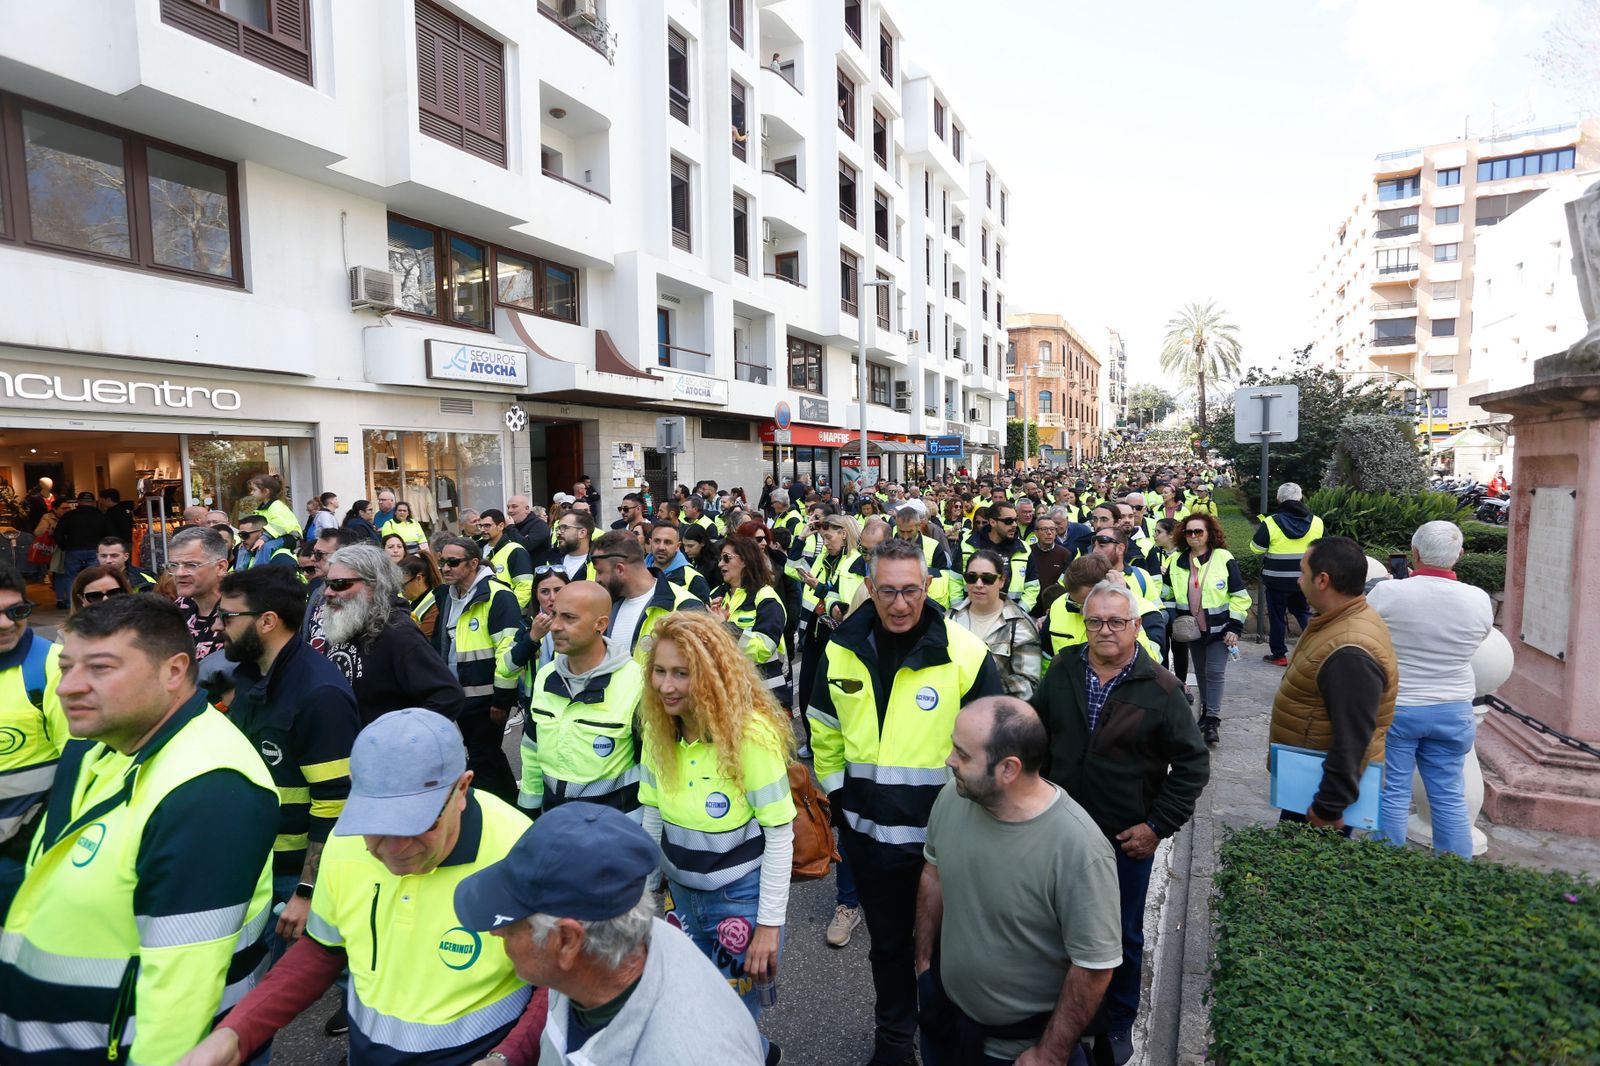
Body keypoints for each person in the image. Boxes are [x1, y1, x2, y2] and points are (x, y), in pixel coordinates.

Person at [180, 709, 545, 1065]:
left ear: (462, 789)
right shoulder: (344, 841)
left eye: (419, 823)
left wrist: (505, 1057)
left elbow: (556, 986)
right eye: (378, 823)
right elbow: (322, 951)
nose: (395, 848)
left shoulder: (521, 852)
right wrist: (236, 1032)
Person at [0, 595, 278, 1063]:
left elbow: (181, 992)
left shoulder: (210, 790)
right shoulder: (94, 746)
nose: (69, 687)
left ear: (173, 672)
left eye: (101, 668)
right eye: (66, 667)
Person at [809, 538, 1003, 1066]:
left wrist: (972, 824)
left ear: (929, 588)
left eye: (910, 591)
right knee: (890, 950)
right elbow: (824, 731)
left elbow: (993, 749)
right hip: (870, 841)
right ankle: (893, 1045)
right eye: (888, 591)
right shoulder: (841, 648)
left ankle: (945, 1047)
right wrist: (841, 798)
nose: (899, 604)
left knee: (947, 956)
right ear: (869, 589)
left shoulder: (965, 653)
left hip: (947, 847)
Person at [1031, 580, 1210, 1063]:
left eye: (1116, 621)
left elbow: (1192, 765)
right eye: (1095, 621)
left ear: (1135, 626)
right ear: (1084, 624)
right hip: (1058, 831)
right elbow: (1037, 733)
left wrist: (1157, 827)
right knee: (1054, 926)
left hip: (1122, 840)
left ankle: (1117, 1021)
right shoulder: (1065, 667)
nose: (1105, 630)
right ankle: (1060, 1012)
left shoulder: (1160, 687)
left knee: (1121, 937)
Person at [453, 802, 765, 1066]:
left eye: (512, 920)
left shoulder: (689, 1054)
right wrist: (506, 1057)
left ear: (566, 941)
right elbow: (557, 1014)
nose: (495, 931)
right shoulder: (606, 952)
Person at [915, 697, 1124, 1066]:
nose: (949, 760)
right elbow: (934, 874)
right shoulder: (951, 798)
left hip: (1019, 1053)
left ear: (1009, 769)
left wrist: (1051, 1054)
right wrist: (925, 968)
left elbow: (1094, 966)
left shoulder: (1080, 849)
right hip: (947, 1026)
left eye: (962, 755)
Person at [641, 612, 796, 1051]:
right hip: (681, 901)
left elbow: (780, 836)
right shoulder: (658, 731)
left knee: (729, 1025)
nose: (666, 686)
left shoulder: (751, 736)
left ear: (710, 675)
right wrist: (645, 900)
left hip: (740, 904)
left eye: (681, 674)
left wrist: (768, 924)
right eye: (659, 671)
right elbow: (652, 820)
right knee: (688, 1012)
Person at [216, 566, 358, 962]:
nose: (219, 627)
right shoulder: (248, 674)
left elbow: (335, 800)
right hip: (253, 858)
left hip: (290, 876)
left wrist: (307, 890)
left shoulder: (318, 693)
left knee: (272, 989)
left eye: (228, 617)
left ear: (267, 622)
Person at [1368, 522, 1494, 857]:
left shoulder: (1388, 593)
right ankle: (1452, 873)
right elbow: (1478, 641)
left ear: (1415, 553)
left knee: (1391, 792)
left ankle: (1383, 871)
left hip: (1399, 706)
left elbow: (1369, 636)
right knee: (1449, 796)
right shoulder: (1479, 600)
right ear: (1460, 555)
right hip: (1453, 708)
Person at [1268, 536, 1398, 832]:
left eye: (1303, 572)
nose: (1299, 581)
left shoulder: (1349, 648)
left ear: (1322, 580)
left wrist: (1329, 806)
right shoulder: (1339, 620)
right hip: (1307, 783)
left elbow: (1354, 738)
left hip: (1319, 795)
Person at [311, 544, 465, 724]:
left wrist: (397, 740)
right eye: (328, 584)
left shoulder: (399, 633)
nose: (328, 592)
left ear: (373, 585)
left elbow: (447, 696)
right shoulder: (343, 624)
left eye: (339, 584)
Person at [428, 535, 522, 803]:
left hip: (486, 698)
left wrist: (502, 700)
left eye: (453, 562)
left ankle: (486, 817)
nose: (445, 568)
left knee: (481, 761)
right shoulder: (447, 595)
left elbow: (508, 652)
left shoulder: (498, 595)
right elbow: (441, 644)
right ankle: (514, 804)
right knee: (487, 754)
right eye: (443, 562)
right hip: (458, 695)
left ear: (473, 563)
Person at [0, 563, 67, 914]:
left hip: (22, 856)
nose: (6, 623)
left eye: (17, 611)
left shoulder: (52, 666)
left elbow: (81, 764)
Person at [1167, 514, 1249, 746]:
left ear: (1209, 534)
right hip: (1191, 630)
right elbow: (1168, 593)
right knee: (1201, 672)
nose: (1193, 536)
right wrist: (1174, 619)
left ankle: (1212, 718)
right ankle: (1205, 714)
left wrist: (1235, 627)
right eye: (1188, 532)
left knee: (1214, 672)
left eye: (1198, 532)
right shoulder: (1177, 560)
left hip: (1220, 628)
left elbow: (1239, 597)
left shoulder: (1223, 558)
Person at [590, 530, 706, 652]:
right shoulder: (606, 603)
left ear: (619, 569)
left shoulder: (685, 606)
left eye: (600, 572)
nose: (597, 579)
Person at [949, 548, 1042, 701]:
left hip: (997, 715)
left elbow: (1029, 685)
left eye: (987, 578)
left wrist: (978, 687)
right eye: (971, 577)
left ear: (1001, 581)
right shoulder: (949, 619)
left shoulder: (1020, 625)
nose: (978, 584)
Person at [1249, 482, 1324, 667]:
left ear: (1278, 499)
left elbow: (1256, 549)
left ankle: (1279, 655)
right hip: (1304, 580)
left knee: (1277, 616)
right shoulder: (1317, 521)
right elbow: (1325, 547)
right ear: (1301, 497)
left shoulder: (1271, 522)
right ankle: (1318, 650)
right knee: (1303, 612)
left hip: (1276, 581)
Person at [711, 534, 791, 705]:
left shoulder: (766, 598)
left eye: (726, 558)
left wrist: (725, 628)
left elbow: (764, 648)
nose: (720, 564)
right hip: (727, 694)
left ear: (745, 560)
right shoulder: (717, 595)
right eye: (720, 558)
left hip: (762, 697)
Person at [167, 525, 231, 664]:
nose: (179, 573)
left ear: (220, 567)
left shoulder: (240, 611)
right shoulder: (178, 607)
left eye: (191, 565)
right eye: (173, 565)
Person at [958, 502, 1036, 611]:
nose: (1014, 525)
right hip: (971, 613)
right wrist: (959, 609)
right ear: (992, 522)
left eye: (1015, 520)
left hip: (1011, 615)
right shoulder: (967, 545)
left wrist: (1019, 612)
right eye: (1008, 521)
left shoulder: (1024, 548)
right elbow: (955, 580)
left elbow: (1032, 586)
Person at [53, 490, 110, 602]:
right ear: (94, 502)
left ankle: (73, 604)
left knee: (71, 578)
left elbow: (57, 534)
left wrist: (65, 546)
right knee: (94, 577)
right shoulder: (102, 516)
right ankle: (94, 601)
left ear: (78, 502)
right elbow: (110, 534)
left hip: (73, 550)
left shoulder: (69, 516)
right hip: (95, 550)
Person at [480, 507, 537, 609]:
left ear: (501, 526)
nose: (482, 530)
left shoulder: (515, 550)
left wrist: (510, 611)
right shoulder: (477, 550)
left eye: (487, 526)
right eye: (481, 526)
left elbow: (524, 587)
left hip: (504, 611)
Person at [648, 521, 713, 601]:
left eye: (668, 542)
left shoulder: (694, 579)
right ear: (650, 543)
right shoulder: (637, 572)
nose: (661, 547)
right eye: (657, 541)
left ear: (677, 546)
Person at [399, 551, 444, 639]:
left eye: (403, 585)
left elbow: (423, 642)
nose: (400, 590)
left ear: (419, 579)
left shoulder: (435, 605)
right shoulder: (411, 599)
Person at [234, 512, 299, 571]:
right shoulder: (245, 551)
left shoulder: (282, 558)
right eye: (240, 535)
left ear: (261, 533)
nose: (242, 540)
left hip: (290, 537)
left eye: (245, 535)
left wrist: (264, 538)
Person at [247, 473, 304, 540]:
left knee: (267, 548)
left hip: (290, 536)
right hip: (278, 537)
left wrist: (264, 538)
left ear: (266, 491)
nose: (251, 493)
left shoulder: (276, 506)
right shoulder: (264, 508)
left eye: (254, 490)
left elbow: (279, 525)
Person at [67, 563, 131, 616]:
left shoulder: (139, 627)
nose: (105, 599)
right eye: (95, 596)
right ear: (81, 599)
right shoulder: (69, 631)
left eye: (113, 593)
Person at [555, 509, 598, 580]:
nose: (558, 532)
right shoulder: (550, 560)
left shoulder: (599, 563)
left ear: (582, 533)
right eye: (558, 528)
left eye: (564, 528)